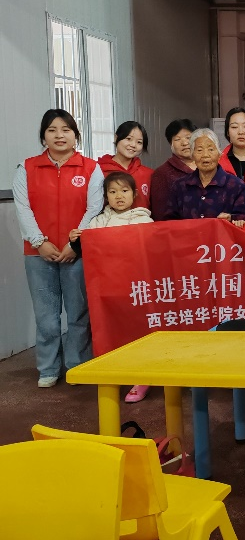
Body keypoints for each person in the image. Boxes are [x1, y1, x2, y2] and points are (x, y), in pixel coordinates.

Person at [13, 109, 103, 387]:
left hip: (77, 253)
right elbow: (23, 209)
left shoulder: (91, 168)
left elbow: (94, 208)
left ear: (76, 135)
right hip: (38, 254)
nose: (59, 135)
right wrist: (39, 242)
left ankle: (77, 365)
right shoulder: (26, 168)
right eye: (52, 130)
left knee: (78, 313)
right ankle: (48, 368)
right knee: (46, 317)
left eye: (66, 129)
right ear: (43, 136)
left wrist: (75, 244)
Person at [70, 171, 153, 403]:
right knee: (109, 331)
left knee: (138, 332)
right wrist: (75, 241)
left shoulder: (144, 220)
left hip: (134, 288)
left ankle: (142, 377)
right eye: (113, 192)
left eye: (124, 191)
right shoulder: (97, 222)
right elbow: (85, 251)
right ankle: (114, 373)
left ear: (134, 194)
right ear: (106, 196)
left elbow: (152, 251)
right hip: (106, 291)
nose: (119, 196)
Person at [167, 128, 245, 224]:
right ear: (192, 155)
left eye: (211, 149)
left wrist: (231, 218)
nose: (205, 155)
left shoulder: (237, 186)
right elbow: (169, 222)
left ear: (219, 155)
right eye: (199, 150)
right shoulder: (180, 186)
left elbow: (244, 218)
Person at [97, 121, 153, 209]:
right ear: (116, 138)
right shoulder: (98, 171)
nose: (133, 145)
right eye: (128, 139)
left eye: (139, 142)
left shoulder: (149, 174)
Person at [150, 119, 197, 221]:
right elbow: (160, 214)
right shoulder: (162, 173)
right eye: (177, 139)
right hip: (178, 228)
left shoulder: (208, 166)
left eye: (188, 137)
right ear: (171, 144)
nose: (184, 143)